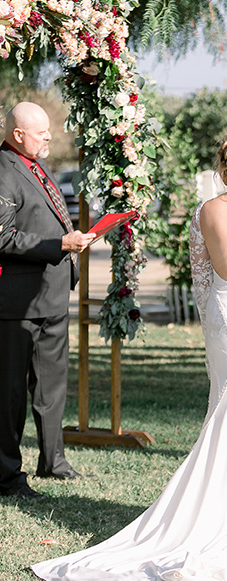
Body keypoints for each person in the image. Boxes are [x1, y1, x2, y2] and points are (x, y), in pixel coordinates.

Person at [32, 130, 227, 581]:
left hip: (225, 316)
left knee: (224, 409)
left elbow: (201, 281)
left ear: (225, 162)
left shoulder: (205, 213)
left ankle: (215, 510)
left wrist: (214, 326)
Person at [0, 102, 95, 500]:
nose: (48, 137)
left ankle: (53, 460)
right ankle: (6, 475)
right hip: (16, 304)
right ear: (18, 134)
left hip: (53, 296)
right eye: (41, 132)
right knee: (8, 393)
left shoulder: (38, 166)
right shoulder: (4, 169)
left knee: (52, 387)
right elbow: (3, 237)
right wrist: (60, 243)